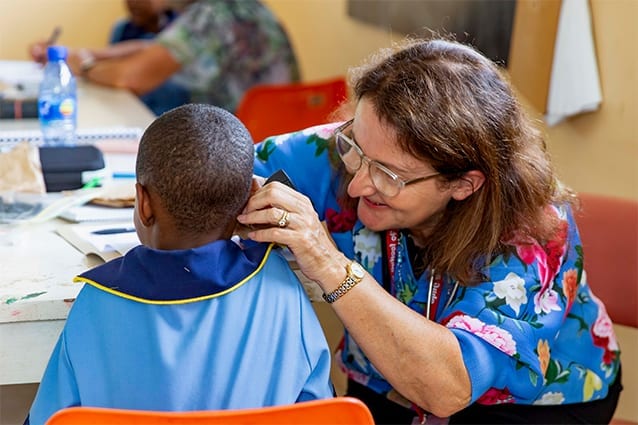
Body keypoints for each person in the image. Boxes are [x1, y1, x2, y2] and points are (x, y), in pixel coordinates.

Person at [236, 38, 623, 424]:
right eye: (355, 144)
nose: (356, 186)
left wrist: (327, 263)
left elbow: (447, 389)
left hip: (527, 406)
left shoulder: (529, 230)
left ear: (463, 184)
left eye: (389, 176)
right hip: (387, 377)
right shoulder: (358, 148)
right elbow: (220, 170)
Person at [25, 104, 333, 425]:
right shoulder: (282, 288)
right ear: (248, 199)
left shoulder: (97, 301)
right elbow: (322, 410)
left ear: (143, 203)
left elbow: (50, 418)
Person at [29, 0, 299, 115]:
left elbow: (130, 77)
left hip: (239, 139)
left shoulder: (212, 15)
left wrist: (85, 66)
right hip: (276, 128)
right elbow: (154, 48)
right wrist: (72, 54)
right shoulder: (240, 7)